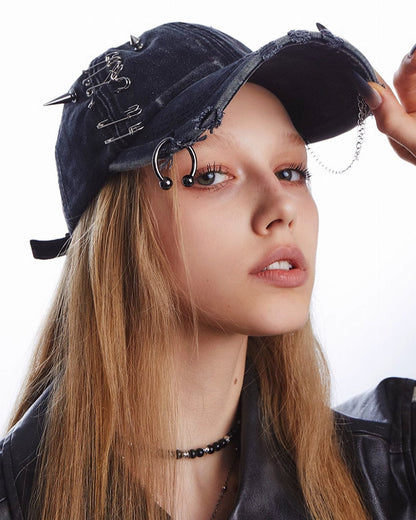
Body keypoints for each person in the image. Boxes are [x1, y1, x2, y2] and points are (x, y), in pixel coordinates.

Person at [0, 22, 415, 520]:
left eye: (290, 171)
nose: (282, 206)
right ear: (119, 229)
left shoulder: (388, 468)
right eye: (211, 175)